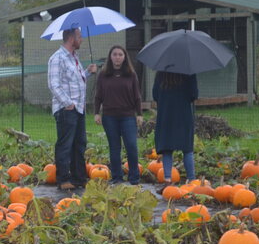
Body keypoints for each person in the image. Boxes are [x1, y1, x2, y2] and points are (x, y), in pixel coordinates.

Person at [48, 27, 97, 191]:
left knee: (79, 144)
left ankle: (79, 178)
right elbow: (53, 84)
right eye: (79, 36)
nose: (81, 39)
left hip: (78, 108)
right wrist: (67, 103)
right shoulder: (57, 58)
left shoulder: (74, 58)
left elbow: (74, 81)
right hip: (67, 109)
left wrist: (87, 73)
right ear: (71, 38)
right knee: (65, 145)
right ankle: (63, 179)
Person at [94, 45, 143, 185]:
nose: (117, 57)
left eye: (120, 54)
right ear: (110, 57)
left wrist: (139, 114)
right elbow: (98, 96)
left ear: (124, 57)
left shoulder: (131, 74)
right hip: (109, 116)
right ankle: (117, 177)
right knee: (114, 147)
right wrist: (97, 113)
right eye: (114, 54)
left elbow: (137, 96)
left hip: (128, 116)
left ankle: (134, 177)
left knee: (131, 146)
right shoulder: (103, 75)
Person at [152, 71, 198, 183]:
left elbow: (155, 95)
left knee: (167, 149)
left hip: (166, 115)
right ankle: (191, 180)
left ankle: (167, 179)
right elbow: (193, 95)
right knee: (187, 149)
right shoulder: (189, 72)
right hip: (184, 115)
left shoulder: (161, 73)